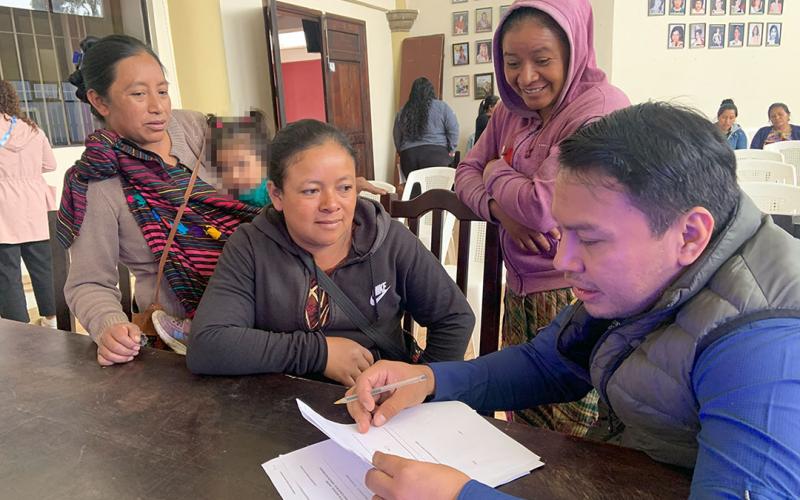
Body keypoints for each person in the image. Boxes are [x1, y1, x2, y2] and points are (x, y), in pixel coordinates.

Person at [348, 102, 800, 500]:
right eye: (564, 231)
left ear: (689, 233)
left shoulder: (767, 348)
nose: (564, 260)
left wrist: (458, 498)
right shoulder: (658, 273)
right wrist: (427, 379)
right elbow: (551, 363)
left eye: (590, 238)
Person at [187, 119, 474, 385]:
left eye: (345, 187)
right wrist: (319, 353)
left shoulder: (388, 240)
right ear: (277, 195)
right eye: (311, 191)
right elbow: (208, 344)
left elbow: (455, 318)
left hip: (377, 417)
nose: (331, 204)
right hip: (281, 414)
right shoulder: (251, 246)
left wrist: (419, 388)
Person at [455, 0, 629, 438]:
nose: (526, 77)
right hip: (522, 284)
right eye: (512, 63)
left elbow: (543, 206)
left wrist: (495, 170)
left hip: (578, 290)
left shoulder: (598, 109)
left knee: (573, 430)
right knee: (526, 420)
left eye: (543, 60)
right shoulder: (509, 110)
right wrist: (500, 212)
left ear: (573, 51)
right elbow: (463, 173)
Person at [57, 34, 263, 366]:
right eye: (139, 94)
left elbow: (266, 187)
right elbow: (88, 282)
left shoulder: (198, 126)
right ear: (99, 101)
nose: (158, 107)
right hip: (183, 341)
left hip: (264, 305)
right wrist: (110, 326)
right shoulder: (96, 179)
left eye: (163, 91)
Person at [0, 80, 58, 328]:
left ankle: (19, 327)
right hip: (35, 204)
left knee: (7, 271)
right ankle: (53, 320)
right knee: (44, 266)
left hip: (4, 206)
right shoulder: (32, 129)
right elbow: (50, 165)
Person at [393, 77, 459, 180]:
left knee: (416, 191)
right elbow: (453, 130)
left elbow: (397, 136)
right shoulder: (442, 107)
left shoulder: (403, 111)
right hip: (437, 156)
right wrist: (452, 149)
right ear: (431, 91)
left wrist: (401, 151)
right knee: (438, 191)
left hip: (409, 157)